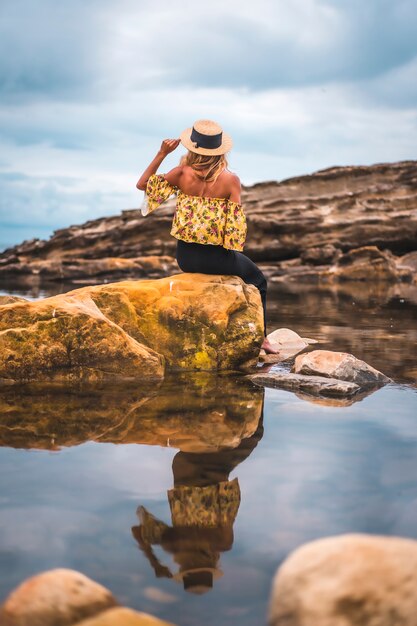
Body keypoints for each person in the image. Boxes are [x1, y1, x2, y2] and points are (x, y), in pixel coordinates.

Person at [136, 119, 280, 354]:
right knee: (259, 280)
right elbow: (235, 228)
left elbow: (142, 184)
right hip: (215, 258)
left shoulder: (181, 173)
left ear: (192, 148)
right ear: (219, 150)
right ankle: (262, 339)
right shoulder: (230, 180)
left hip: (185, 258)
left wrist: (162, 153)